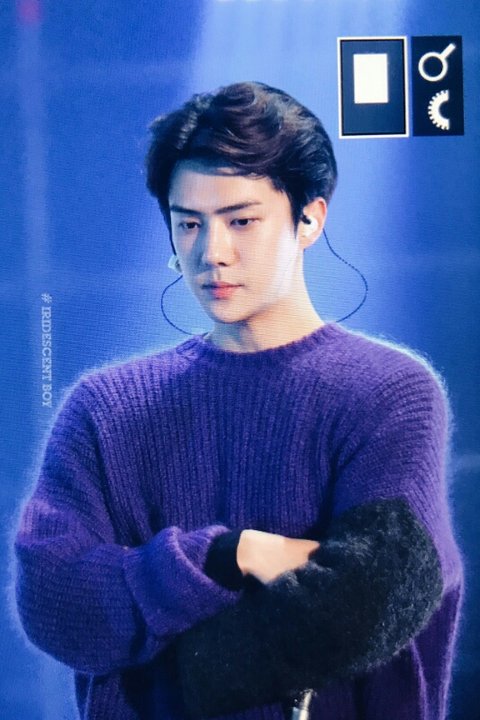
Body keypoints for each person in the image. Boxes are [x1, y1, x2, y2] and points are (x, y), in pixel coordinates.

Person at [12, 81, 463, 720]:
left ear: (310, 218)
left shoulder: (390, 393)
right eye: (188, 223)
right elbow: (53, 601)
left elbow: (374, 597)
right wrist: (231, 555)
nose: (211, 253)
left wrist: (173, 674)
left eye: (241, 220)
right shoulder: (105, 410)